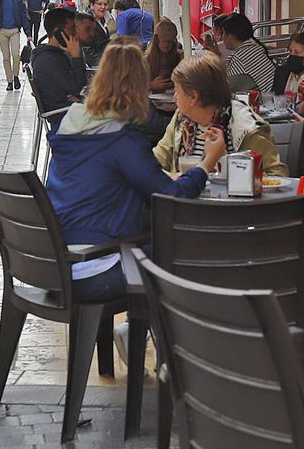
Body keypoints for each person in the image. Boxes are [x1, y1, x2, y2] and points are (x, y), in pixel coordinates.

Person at [46, 42, 224, 302]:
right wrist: (207, 162)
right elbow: (173, 196)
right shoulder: (122, 141)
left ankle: (142, 330)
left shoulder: (69, 127)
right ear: (140, 87)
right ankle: (176, 335)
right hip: (95, 266)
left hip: (54, 264)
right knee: (192, 249)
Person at [152, 52, 286, 177]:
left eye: (177, 90)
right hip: (186, 201)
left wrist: (233, 173)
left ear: (193, 97)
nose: (174, 96)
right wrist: (174, 180)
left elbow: (277, 175)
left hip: (231, 202)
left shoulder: (245, 128)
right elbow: (155, 162)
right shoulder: (181, 119)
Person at [30, 6, 87, 117]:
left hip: (71, 110)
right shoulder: (49, 59)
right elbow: (77, 88)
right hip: (65, 116)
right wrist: (76, 56)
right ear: (58, 31)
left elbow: (76, 88)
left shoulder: (57, 53)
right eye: (72, 28)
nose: (76, 33)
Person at [212, 12, 278, 95]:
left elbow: (226, 85)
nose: (222, 37)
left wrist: (213, 58)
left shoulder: (240, 56)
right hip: (272, 96)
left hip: (266, 101)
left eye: (224, 33)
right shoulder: (254, 46)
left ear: (232, 35)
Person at [272, 31, 304, 118]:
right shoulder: (282, 72)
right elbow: (274, 99)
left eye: (297, 53)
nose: (292, 56)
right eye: (291, 51)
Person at [144, 17, 182, 93]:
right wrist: (151, 85)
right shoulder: (146, 60)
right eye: (164, 41)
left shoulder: (179, 58)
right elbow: (134, 88)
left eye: (170, 42)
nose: (167, 44)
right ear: (157, 41)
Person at [81, 0, 111, 68]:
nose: (103, 7)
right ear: (92, 5)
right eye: (99, 4)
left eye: (105, 4)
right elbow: (87, 49)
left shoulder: (103, 19)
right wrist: (100, 65)